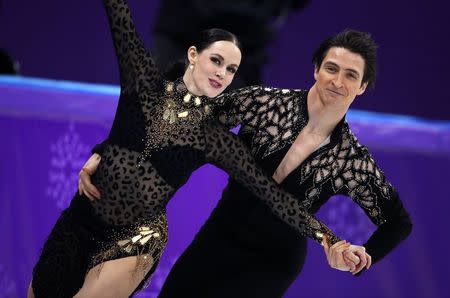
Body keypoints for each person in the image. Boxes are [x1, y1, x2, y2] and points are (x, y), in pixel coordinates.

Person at [28, 1, 362, 297]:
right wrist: (103, 150)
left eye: (231, 70)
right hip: (78, 221)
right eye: (216, 61)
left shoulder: (211, 137)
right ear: (192, 55)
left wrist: (329, 239)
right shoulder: (143, 83)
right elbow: (118, 13)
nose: (222, 74)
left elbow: (273, 194)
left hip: (134, 240)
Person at [81, 29, 412, 297]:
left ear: (363, 87)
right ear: (316, 69)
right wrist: (107, 151)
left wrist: (363, 255)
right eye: (331, 68)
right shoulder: (264, 103)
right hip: (220, 236)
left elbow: (398, 222)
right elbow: (185, 119)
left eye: (351, 75)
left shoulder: (351, 159)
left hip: (272, 264)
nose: (337, 81)